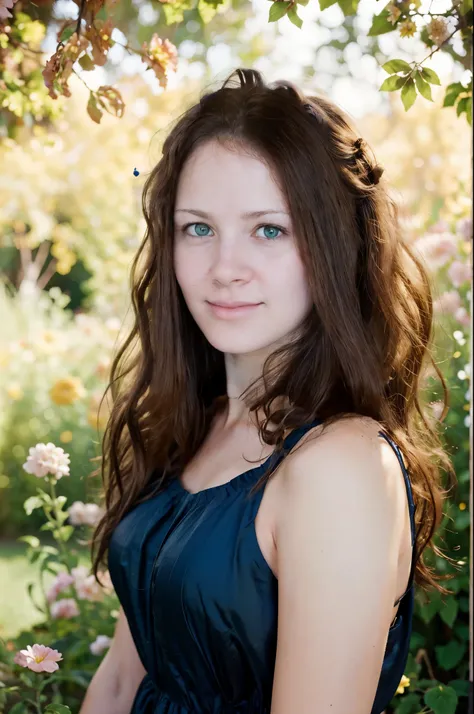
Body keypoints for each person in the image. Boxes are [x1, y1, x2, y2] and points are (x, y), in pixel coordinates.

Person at [79, 67, 456, 714]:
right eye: (198, 228)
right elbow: (120, 681)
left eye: (269, 229)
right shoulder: (197, 422)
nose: (225, 268)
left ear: (335, 246)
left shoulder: (340, 467)